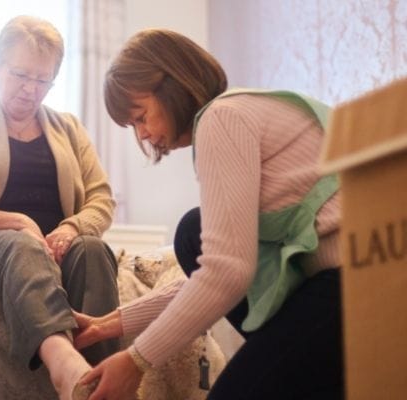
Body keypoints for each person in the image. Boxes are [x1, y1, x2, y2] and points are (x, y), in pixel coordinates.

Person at [72, 28, 343, 400]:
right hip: (343, 280)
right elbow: (219, 275)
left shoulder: (222, 119)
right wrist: (112, 324)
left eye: (140, 116)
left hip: (351, 284)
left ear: (171, 84)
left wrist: (136, 360)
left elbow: (226, 273)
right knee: (194, 232)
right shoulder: (244, 109)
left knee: (192, 231)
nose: (144, 135)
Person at [0, 15, 120, 400]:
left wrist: (71, 229)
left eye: (42, 79)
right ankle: (65, 366)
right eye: (20, 75)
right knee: (21, 243)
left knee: (93, 249)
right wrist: (15, 222)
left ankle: (102, 384)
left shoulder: (70, 129)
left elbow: (101, 199)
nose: (31, 89)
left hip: (54, 244)